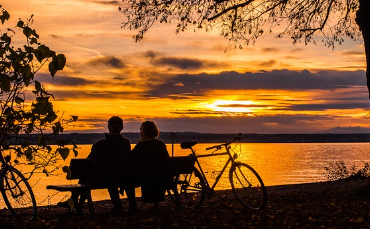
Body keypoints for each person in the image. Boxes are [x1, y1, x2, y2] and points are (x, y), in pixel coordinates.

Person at [58, 116, 136, 213]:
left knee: (86, 173)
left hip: (102, 179)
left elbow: (88, 162)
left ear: (109, 127)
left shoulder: (100, 144)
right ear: (122, 128)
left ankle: (75, 202)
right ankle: (119, 205)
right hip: (122, 178)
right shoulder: (126, 143)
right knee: (108, 175)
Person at [131, 121, 170, 209]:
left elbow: (131, 157)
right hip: (162, 177)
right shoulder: (160, 145)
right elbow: (167, 161)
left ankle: (132, 205)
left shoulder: (141, 146)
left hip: (145, 177)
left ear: (143, 132)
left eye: (140, 130)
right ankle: (156, 202)